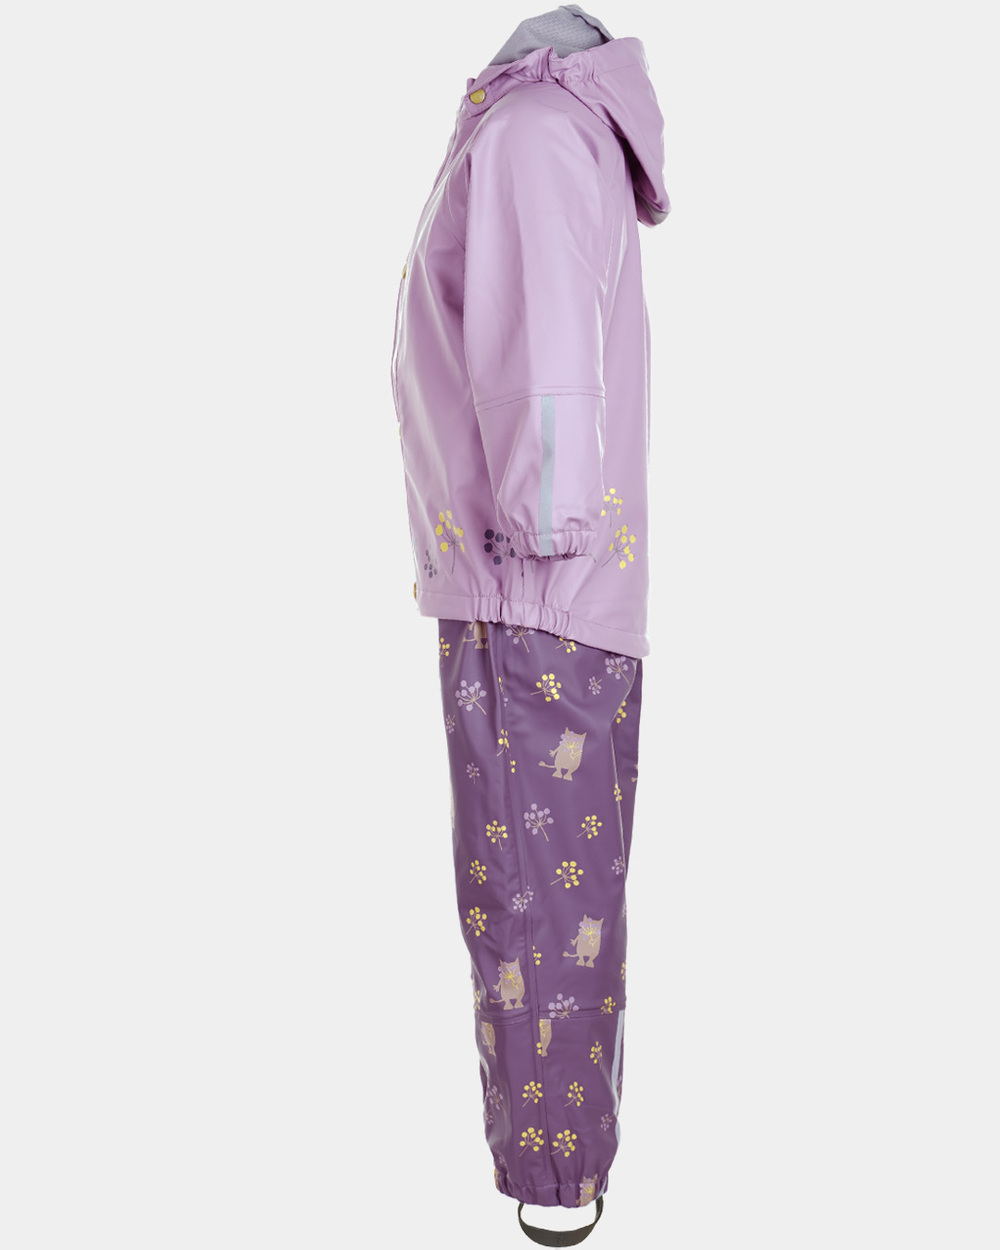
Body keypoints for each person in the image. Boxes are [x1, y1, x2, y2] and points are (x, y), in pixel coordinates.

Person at [390, 6, 671, 1241]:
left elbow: (545, 351)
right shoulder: (553, 126)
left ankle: (555, 1186)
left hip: (529, 584)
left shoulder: (533, 131)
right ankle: (565, 1172)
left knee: (530, 904)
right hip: (543, 582)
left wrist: (540, 526)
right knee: (554, 899)